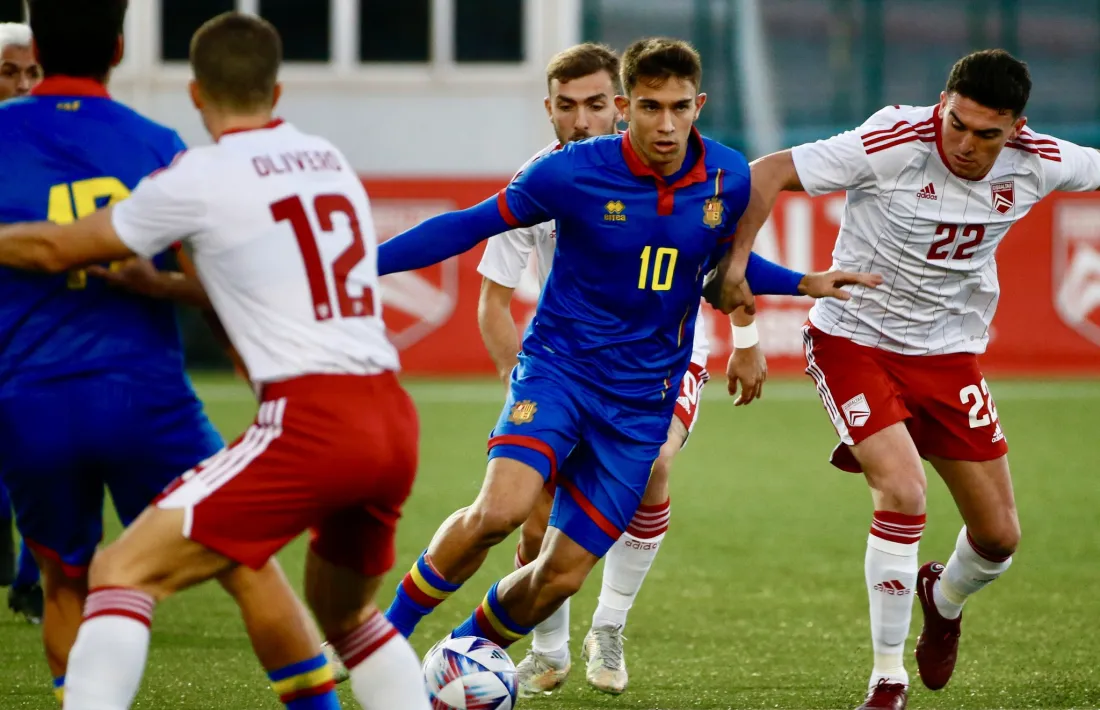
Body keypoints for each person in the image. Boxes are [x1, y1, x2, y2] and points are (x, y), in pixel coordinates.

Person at [379, 35, 878, 664]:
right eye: (649, 107)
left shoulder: (726, 175)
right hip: (560, 370)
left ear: (699, 104)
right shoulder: (569, 172)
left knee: (560, 574)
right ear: (627, 105)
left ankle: (460, 657)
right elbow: (466, 225)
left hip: (642, 399)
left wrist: (803, 283)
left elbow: (722, 271)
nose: (665, 125)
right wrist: (362, 265)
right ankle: (384, 638)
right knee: (501, 512)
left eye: (678, 107)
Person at [0, 11, 431, 710]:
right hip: (390, 416)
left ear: (196, 95)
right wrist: (162, 284)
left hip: (311, 420)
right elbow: (253, 274)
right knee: (348, 618)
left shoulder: (197, 176)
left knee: (116, 573)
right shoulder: (327, 160)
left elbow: (56, 250)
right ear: (278, 92)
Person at [706, 49, 1100, 710]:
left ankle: (942, 599)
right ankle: (887, 679)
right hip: (853, 340)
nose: (967, 145)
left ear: (1017, 128)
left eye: (987, 135)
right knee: (903, 490)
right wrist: (737, 267)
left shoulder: (1045, 161)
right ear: (942, 104)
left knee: (999, 538)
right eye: (957, 125)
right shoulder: (891, 140)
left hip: (948, 354)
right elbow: (768, 170)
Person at [469, 42, 766, 697]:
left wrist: (747, 334)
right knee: (539, 509)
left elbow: (730, 268)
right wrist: (520, 387)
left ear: (619, 104)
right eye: (568, 106)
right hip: (570, 365)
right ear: (549, 109)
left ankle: (609, 625)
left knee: (657, 462)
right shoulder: (542, 180)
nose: (582, 119)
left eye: (597, 104)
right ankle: (547, 652)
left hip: (663, 358)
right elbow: (493, 298)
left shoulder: (694, 173)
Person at [0, 20, 45, 624]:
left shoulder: (55, 140)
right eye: (10, 70)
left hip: (40, 328)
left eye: (32, 71)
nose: (23, 82)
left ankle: (30, 582)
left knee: (43, 459)